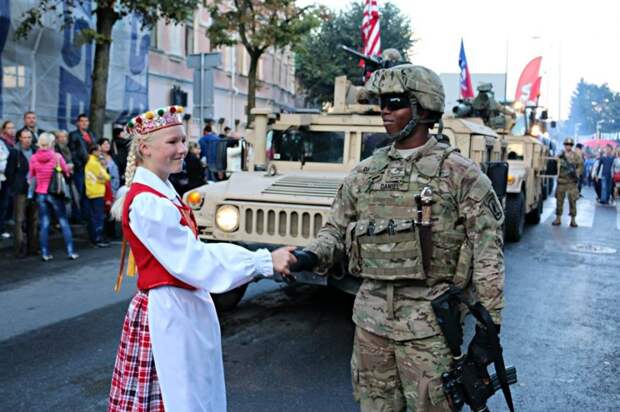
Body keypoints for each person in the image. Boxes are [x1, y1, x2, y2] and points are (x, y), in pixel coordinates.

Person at [286, 65, 505, 411]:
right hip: (370, 325)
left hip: (428, 329)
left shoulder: (460, 175)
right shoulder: (366, 173)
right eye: (382, 104)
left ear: (423, 108)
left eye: (395, 102)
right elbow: (335, 233)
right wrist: (306, 257)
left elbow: (488, 257)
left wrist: (488, 330)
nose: (384, 111)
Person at [107, 106, 297, 412]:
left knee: (192, 391)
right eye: (172, 142)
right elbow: (197, 261)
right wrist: (262, 262)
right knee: (180, 396)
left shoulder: (162, 192)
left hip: (181, 307)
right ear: (144, 148)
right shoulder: (147, 203)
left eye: (183, 140)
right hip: (169, 312)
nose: (182, 149)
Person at [29, 132, 78, 260]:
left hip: (41, 193)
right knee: (63, 222)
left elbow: (31, 175)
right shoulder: (57, 156)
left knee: (44, 223)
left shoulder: (34, 158)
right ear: (52, 143)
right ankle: (70, 251)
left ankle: (45, 253)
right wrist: (69, 167)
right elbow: (66, 172)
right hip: (55, 193)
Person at [5, 128, 38, 257]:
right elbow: (9, 172)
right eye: (24, 137)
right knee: (19, 220)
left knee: (34, 219)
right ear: (20, 138)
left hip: (35, 190)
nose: (27, 140)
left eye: (29, 137)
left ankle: (33, 248)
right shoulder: (15, 152)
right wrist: (16, 184)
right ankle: (19, 249)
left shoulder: (36, 151)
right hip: (20, 191)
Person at [68, 113, 97, 222]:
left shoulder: (91, 134)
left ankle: (85, 216)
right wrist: (78, 164)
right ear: (78, 123)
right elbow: (73, 151)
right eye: (82, 121)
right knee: (78, 193)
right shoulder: (74, 135)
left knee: (87, 193)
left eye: (86, 121)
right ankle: (77, 217)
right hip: (80, 168)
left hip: (91, 169)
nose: (84, 123)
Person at [84, 143, 111, 247]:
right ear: (93, 151)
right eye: (99, 150)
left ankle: (96, 238)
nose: (100, 153)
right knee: (98, 217)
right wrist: (103, 169)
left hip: (94, 191)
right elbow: (107, 177)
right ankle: (97, 238)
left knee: (96, 216)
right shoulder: (94, 163)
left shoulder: (92, 162)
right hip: (96, 191)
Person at [553, 138, 583, 227]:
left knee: (572, 201)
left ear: (572, 146)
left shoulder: (576, 156)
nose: (568, 146)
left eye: (570, 145)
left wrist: (576, 173)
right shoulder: (560, 155)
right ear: (564, 145)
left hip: (571, 182)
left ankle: (573, 220)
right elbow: (554, 163)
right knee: (559, 200)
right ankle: (558, 218)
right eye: (566, 144)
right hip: (561, 181)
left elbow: (581, 166)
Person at [0, 120, 16, 239]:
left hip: (7, 177)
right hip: (2, 176)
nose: (11, 130)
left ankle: (1, 228)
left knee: (4, 204)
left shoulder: (10, 143)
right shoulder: (2, 142)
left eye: (12, 127)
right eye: (8, 128)